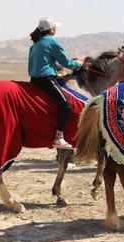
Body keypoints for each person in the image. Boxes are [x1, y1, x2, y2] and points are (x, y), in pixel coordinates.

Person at [28, 16, 83, 150]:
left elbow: (41, 64)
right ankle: (58, 138)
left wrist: (55, 71)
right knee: (67, 107)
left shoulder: (36, 43)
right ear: (52, 30)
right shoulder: (52, 42)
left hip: (34, 81)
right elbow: (66, 63)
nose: (56, 30)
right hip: (46, 81)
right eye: (55, 27)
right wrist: (80, 63)